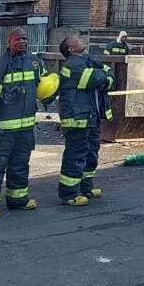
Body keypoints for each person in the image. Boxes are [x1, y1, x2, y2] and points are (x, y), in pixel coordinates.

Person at [0, 27, 46, 218]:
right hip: (3, 129)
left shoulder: (34, 62)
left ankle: (18, 200)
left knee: (20, 165)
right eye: (18, 39)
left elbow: (43, 87)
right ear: (9, 41)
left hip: (25, 129)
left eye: (25, 39)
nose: (22, 42)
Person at [57, 35, 113, 206]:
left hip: (91, 117)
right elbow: (93, 79)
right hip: (77, 119)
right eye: (75, 39)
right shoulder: (72, 64)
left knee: (90, 153)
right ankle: (69, 193)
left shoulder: (87, 60)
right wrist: (103, 75)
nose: (80, 39)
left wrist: (104, 75)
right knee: (76, 155)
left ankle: (85, 187)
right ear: (71, 49)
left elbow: (110, 76)